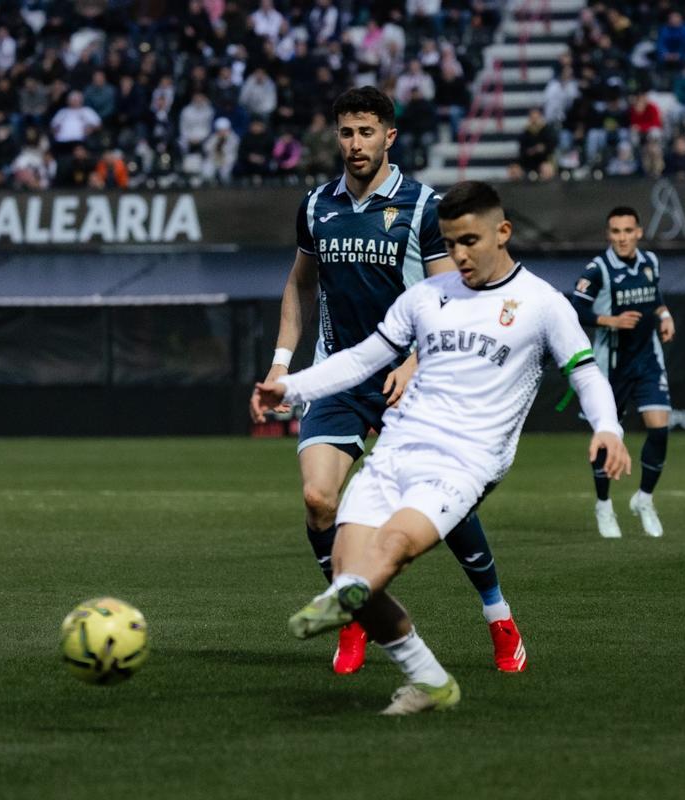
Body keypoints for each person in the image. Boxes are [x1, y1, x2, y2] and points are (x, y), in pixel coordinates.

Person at [256, 181, 632, 714]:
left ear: (503, 233)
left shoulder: (544, 304)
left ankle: (343, 601)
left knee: (394, 547)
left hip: (467, 458)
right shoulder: (426, 297)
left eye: (470, 241)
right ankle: (428, 679)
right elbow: (363, 359)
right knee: (349, 566)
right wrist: (290, 386)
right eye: (451, 243)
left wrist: (608, 429)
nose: (459, 254)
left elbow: (586, 374)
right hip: (398, 445)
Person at [248, 87, 528, 676]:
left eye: (366, 132)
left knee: (444, 506)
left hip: (414, 379)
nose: (355, 144)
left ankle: (499, 618)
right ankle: (357, 618)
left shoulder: (424, 207)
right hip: (338, 375)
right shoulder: (316, 205)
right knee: (319, 499)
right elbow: (300, 285)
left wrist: (415, 361)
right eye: (346, 133)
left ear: (389, 137)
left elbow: (453, 300)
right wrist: (282, 362)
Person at [570, 207, 676, 539]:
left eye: (627, 231)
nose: (622, 238)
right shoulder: (598, 269)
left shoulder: (650, 262)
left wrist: (665, 314)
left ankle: (643, 499)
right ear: (608, 234)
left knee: (659, 431)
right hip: (609, 367)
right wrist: (610, 321)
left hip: (647, 360)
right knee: (606, 439)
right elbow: (576, 307)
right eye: (615, 231)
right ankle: (603, 505)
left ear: (638, 233)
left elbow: (654, 296)